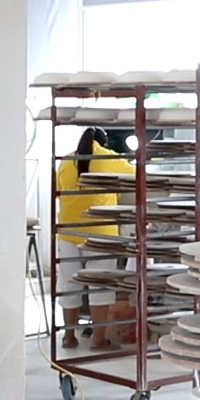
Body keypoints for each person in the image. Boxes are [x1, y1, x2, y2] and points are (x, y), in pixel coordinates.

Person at [52, 128, 138, 351]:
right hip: (101, 233)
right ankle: (99, 341)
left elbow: (59, 191)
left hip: (68, 231)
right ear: (103, 143)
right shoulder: (107, 158)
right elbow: (138, 176)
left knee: (69, 285)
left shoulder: (66, 161)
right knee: (100, 288)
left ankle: (69, 337)